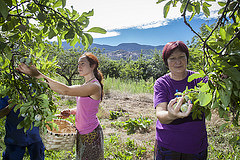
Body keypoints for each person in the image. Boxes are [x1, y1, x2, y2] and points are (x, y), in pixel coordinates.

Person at [17, 52, 104, 160]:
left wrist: (38, 75)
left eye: (82, 63)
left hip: (91, 134)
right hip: (81, 133)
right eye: (78, 64)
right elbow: (88, 107)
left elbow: (65, 90)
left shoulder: (94, 86)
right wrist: (71, 111)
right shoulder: (86, 85)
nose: (79, 67)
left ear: (93, 66)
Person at [153, 41, 208, 160]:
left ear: (187, 58)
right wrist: (172, 115)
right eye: (172, 58)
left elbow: (215, 89)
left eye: (181, 57)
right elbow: (160, 113)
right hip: (168, 146)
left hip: (196, 146)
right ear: (166, 63)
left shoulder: (199, 79)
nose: (178, 62)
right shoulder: (162, 83)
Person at [0, 96, 45, 160]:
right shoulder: (9, 92)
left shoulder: (37, 89)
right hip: (15, 137)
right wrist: (11, 106)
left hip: (35, 135)